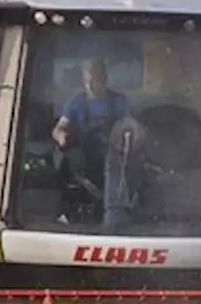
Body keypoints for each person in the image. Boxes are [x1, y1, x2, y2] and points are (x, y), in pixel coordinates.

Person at [50, 56, 142, 231]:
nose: (91, 86)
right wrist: (62, 137)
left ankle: (114, 214)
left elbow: (132, 124)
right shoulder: (76, 103)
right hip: (83, 155)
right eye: (87, 82)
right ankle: (63, 212)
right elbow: (59, 128)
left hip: (115, 156)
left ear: (104, 80)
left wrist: (128, 131)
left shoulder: (119, 102)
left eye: (95, 81)